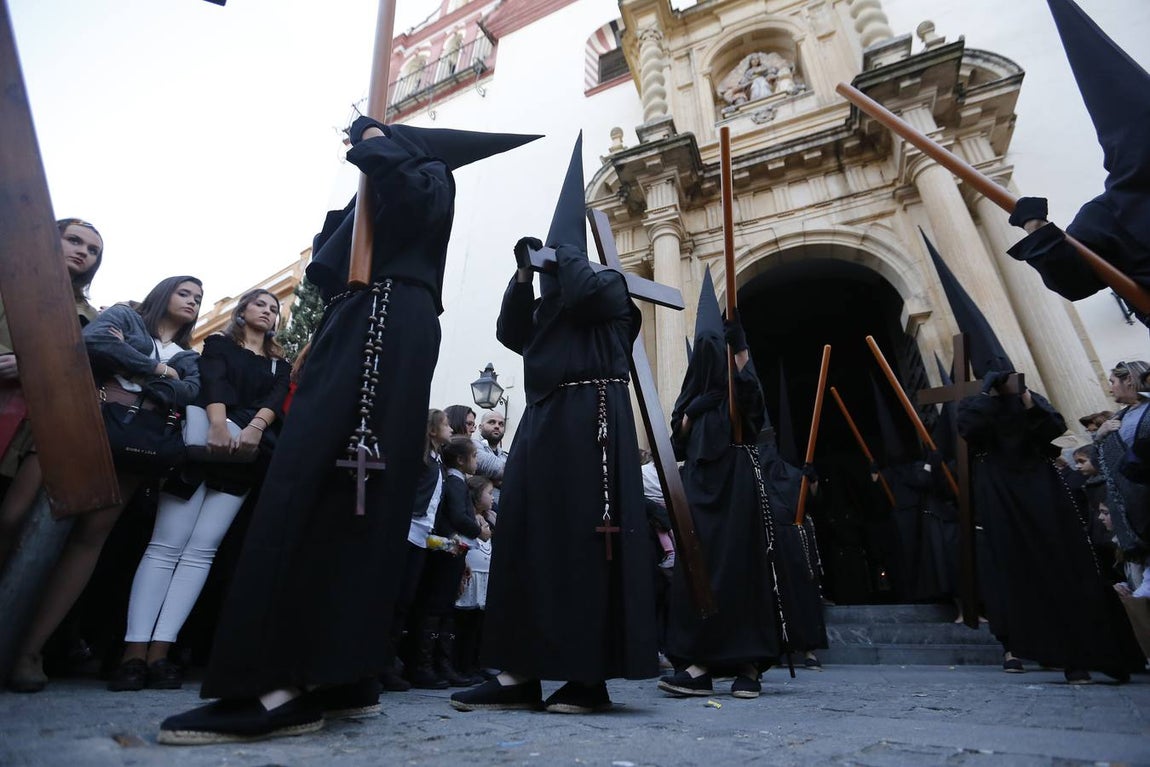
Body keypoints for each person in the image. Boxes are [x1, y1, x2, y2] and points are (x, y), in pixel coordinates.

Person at [158, 118, 539, 744]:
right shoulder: (388, 233)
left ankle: (279, 683)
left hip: (380, 321)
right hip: (364, 320)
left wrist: (376, 144)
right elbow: (332, 259)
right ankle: (339, 672)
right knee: (345, 492)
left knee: (320, 484)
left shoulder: (424, 177)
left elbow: (413, 196)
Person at [450, 135, 657, 715]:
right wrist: (523, 275)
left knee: (581, 542)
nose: (551, 275)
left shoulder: (610, 289)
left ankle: (588, 678)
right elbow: (510, 333)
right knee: (526, 539)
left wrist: (564, 252)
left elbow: (585, 290)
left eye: (557, 263)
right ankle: (517, 673)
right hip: (542, 426)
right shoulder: (547, 312)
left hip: (592, 425)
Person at [7, 276, 203, 692]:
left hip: (137, 445)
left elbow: (188, 392)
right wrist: (158, 369)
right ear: (164, 292)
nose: (192, 301)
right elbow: (94, 342)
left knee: (91, 537)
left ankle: (31, 650)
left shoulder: (188, 355)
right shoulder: (125, 317)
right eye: (184, 292)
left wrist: (130, 363)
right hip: (83, 426)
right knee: (24, 521)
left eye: (198, 298)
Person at [109, 288, 290, 692]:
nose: (268, 311)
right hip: (199, 446)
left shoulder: (280, 364)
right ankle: (133, 652)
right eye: (260, 303)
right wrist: (219, 425)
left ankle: (161, 651)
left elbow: (275, 399)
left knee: (201, 553)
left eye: (274, 308)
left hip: (244, 457)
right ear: (242, 310)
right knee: (165, 546)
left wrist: (254, 429)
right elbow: (213, 382)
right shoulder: (218, 344)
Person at [957, 374, 1145, 684]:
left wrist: (1027, 399)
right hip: (1003, 496)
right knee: (1026, 574)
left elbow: (1053, 428)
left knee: (1074, 567)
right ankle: (1067, 657)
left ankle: (1107, 654)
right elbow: (969, 429)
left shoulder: (1030, 404)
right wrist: (985, 393)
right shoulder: (976, 408)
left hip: (1042, 489)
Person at [658, 275, 782, 701]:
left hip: (736, 484)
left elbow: (755, 412)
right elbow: (676, 443)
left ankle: (748, 664)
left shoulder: (738, 386)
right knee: (697, 570)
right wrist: (691, 415)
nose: (710, 354)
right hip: (697, 488)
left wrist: (742, 351)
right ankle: (698, 664)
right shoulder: (690, 395)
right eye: (704, 347)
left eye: (716, 347)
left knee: (739, 566)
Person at [0, 219, 105, 571]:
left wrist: (34, 367)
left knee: (10, 520)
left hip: (31, 430)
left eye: (93, 250)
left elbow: (79, 371)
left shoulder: (91, 317)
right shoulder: (9, 276)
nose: (83, 252)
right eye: (74, 240)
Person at [406, 436, 482, 689]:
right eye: (474, 456)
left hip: (451, 551)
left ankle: (441, 665)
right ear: (460, 460)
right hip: (447, 551)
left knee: (445, 609)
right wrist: (478, 530)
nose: (477, 461)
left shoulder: (453, 480)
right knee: (437, 608)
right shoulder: (455, 483)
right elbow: (457, 517)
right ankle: (426, 665)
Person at [1093, 362, 1150, 595]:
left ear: (1129, 380)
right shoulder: (1119, 417)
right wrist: (1099, 436)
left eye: (1113, 382)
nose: (1110, 388)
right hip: (1130, 505)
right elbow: (1100, 463)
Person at [454, 475, 494, 681]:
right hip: (471, 575)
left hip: (485, 576)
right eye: (489, 493)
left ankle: (478, 663)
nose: (493, 497)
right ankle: (463, 665)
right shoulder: (469, 520)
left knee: (480, 624)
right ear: (476, 496)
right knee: (466, 622)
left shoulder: (489, 518)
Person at [472, 410, 508, 507]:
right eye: (492, 422)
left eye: (501, 424)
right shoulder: (473, 446)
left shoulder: (506, 456)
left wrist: (489, 478)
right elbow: (496, 468)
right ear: (480, 427)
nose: (497, 426)